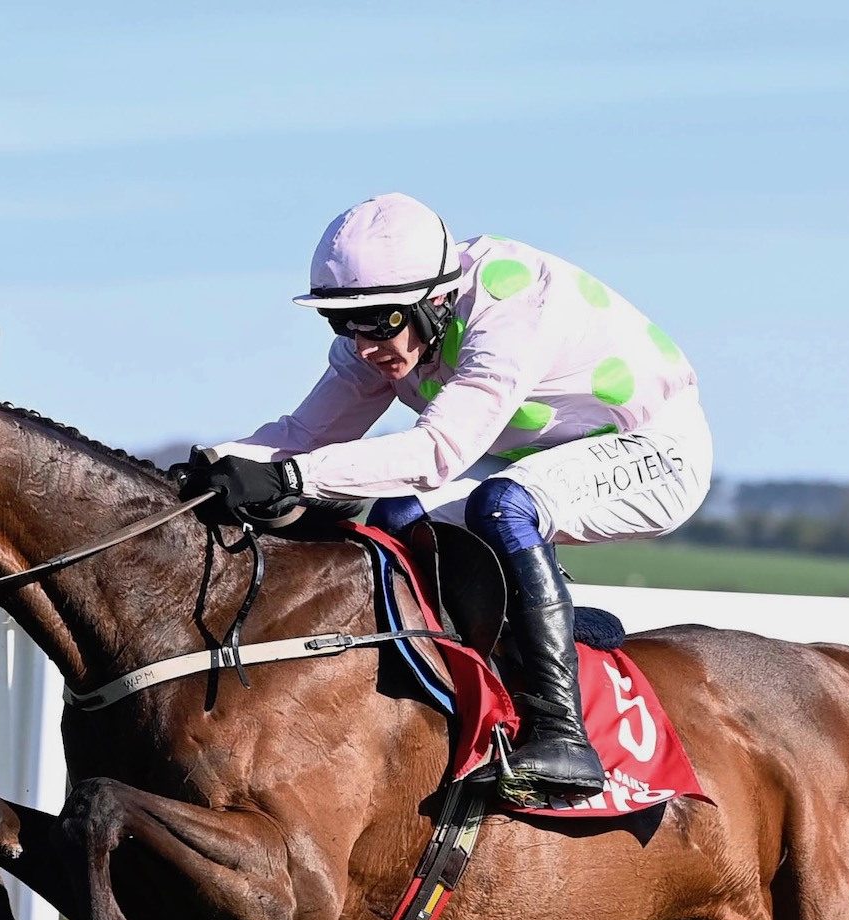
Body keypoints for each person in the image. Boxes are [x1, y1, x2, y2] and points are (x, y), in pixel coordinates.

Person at [180, 193, 713, 803]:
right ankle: (498, 663)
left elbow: (437, 454)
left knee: (503, 506)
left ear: (436, 301)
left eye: (381, 322)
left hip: (657, 450)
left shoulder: (513, 306)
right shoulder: (382, 330)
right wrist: (217, 464)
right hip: (535, 458)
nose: (363, 345)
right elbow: (303, 436)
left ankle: (563, 736)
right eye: (341, 323)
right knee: (398, 517)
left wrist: (293, 479)